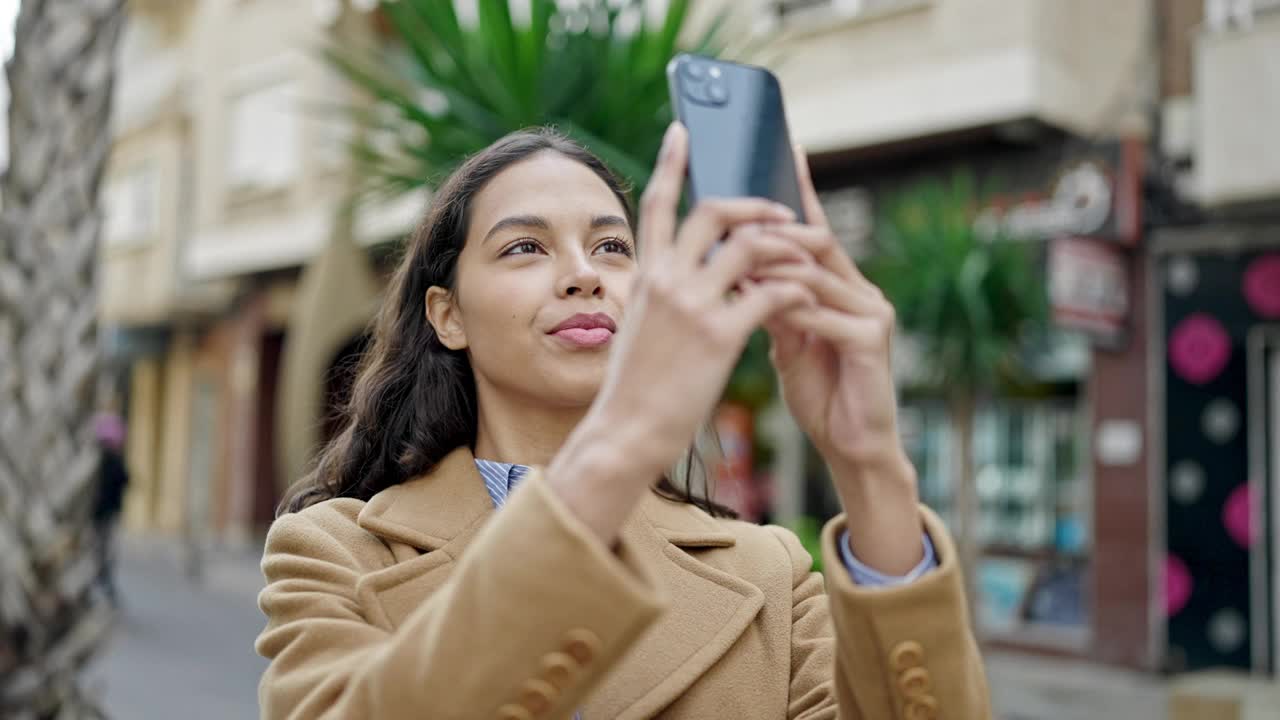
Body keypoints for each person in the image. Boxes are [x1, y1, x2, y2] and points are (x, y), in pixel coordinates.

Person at [255, 124, 989, 719]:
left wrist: (869, 464)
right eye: (525, 247)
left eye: (612, 245)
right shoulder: (334, 555)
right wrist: (627, 438)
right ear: (448, 316)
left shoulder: (769, 573)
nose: (584, 274)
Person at [92, 411, 129, 605]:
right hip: (107, 513)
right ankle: (103, 585)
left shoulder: (100, 460)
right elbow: (125, 479)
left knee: (102, 551)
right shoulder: (112, 460)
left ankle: (102, 584)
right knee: (105, 552)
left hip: (100, 514)